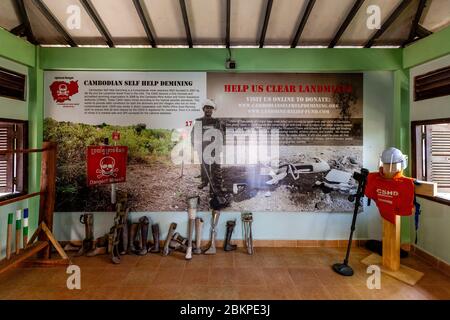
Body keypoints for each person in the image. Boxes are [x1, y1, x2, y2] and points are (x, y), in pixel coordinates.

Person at [191, 99, 225, 192]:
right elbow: (193, 134)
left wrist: (219, 147)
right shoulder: (198, 121)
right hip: (202, 148)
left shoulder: (216, 121)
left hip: (214, 148)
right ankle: (204, 181)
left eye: (211, 108)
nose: (209, 110)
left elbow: (220, 134)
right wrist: (195, 145)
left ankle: (217, 184)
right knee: (204, 166)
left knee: (216, 167)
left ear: (212, 110)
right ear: (203, 109)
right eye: (207, 108)